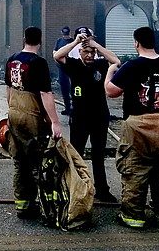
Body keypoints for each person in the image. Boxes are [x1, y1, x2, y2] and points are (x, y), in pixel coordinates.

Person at [105, 26, 159, 230]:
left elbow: (112, 92)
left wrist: (109, 73)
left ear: (136, 43)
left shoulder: (131, 66)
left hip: (138, 124)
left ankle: (133, 216)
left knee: (136, 168)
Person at [54, 28, 121, 202]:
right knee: (77, 154)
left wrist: (95, 44)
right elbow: (57, 56)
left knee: (98, 155)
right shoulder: (74, 65)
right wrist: (76, 42)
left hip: (99, 116)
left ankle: (102, 190)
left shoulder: (100, 65)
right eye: (86, 51)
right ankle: (75, 187)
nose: (89, 55)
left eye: (91, 52)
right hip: (79, 117)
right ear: (80, 52)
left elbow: (116, 61)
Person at [4, 26, 63, 219]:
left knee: (19, 162)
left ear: (23, 39)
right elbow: (46, 94)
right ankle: (47, 209)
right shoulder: (39, 63)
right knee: (39, 163)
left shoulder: (12, 59)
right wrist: (54, 121)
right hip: (31, 117)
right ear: (40, 41)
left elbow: (8, 89)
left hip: (13, 113)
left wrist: (13, 110)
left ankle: (23, 205)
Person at [53, 26, 74, 117]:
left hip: (69, 68)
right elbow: (55, 51)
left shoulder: (72, 42)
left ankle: (74, 108)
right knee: (64, 87)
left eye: (66, 34)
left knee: (71, 88)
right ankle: (67, 107)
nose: (65, 36)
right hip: (61, 68)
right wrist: (55, 57)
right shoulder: (59, 41)